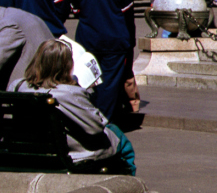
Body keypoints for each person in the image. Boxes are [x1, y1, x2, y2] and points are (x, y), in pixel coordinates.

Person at [10, 40, 131, 175]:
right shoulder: (68, 93)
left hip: (31, 148)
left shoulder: (17, 86)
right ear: (66, 66)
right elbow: (96, 127)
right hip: (70, 155)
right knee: (120, 139)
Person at [75, 0, 138, 127]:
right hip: (115, 39)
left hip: (88, 39)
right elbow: (126, 13)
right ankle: (104, 120)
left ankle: (87, 118)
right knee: (109, 83)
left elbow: (75, 9)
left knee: (88, 79)